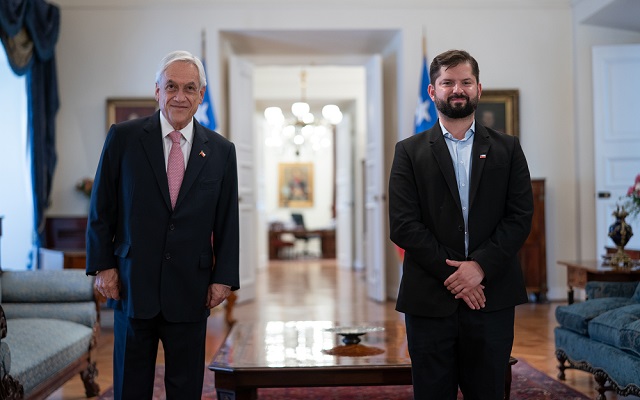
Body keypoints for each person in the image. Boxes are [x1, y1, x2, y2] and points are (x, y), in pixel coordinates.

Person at [86, 50, 239, 400]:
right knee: (130, 386)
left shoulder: (220, 150)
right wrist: (104, 266)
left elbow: (228, 220)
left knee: (186, 387)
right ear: (157, 91)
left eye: (189, 88)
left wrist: (224, 277)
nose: (180, 96)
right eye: (171, 86)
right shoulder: (123, 138)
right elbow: (101, 208)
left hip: (191, 287)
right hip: (131, 284)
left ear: (201, 95)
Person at [388, 49, 533, 400]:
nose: (457, 89)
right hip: (429, 297)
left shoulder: (508, 148)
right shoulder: (408, 150)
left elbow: (520, 216)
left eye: (465, 82)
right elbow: (403, 225)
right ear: (432, 91)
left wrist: (479, 267)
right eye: (448, 82)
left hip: (492, 295)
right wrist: (458, 276)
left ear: (479, 89)